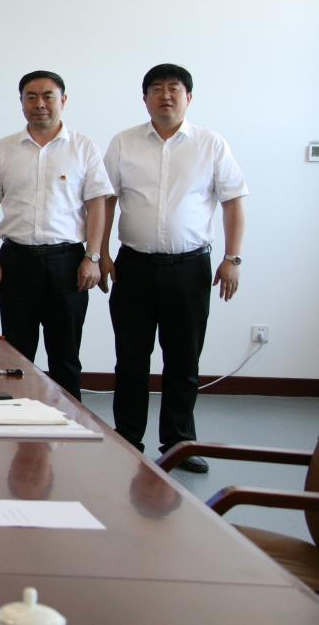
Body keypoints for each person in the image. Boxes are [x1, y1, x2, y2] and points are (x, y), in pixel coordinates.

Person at [99, 64, 247, 473]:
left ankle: (179, 442)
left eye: (174, 89)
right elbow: (105, 201)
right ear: (144, 98)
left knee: (183, 360)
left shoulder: (211, 144)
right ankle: (128, 438)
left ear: (188, 97)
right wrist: (100, 253)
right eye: (157, 89)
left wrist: (232, 259)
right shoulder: (124, 143)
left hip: (189, 268)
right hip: (134, 266)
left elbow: (234, 202)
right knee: (131, 358)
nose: (166, 95)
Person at [0, 70, 111, 399]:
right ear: (21, 102)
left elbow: (97, 205)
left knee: (65, 356)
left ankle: (68, 423)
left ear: (63, 100)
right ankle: (15, 418)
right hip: (16, 261)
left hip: (68, 263)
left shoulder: (83, 147)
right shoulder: (4, 148)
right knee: (16, 354)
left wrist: (92, 258)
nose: (40, 104)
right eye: (31, 97)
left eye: (48, 96)